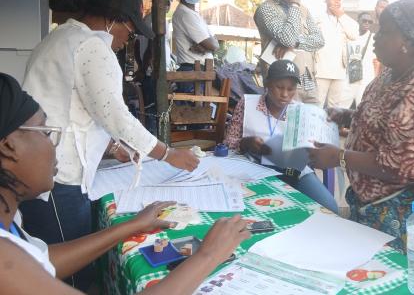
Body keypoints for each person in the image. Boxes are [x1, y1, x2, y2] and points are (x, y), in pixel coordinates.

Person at [20, 0, 199, 290]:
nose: (125, 41)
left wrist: (110, 147)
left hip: (35, 169)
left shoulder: (58, 37)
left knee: (46, 264)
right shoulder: (92, 47)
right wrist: (168, 154)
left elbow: (73, 108)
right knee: (74, 272)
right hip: (58, 179)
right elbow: (116, 116)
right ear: (115, 20)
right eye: (129, 33)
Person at [0, 73, 249, 294]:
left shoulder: (11, 226)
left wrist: (133, 225)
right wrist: (209, 255)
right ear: (9, 146)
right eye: (45, 132)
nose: (54, 145)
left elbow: (41, 260)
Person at [307, 0, 414, 268]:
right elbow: (383, 123)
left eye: (385, 31)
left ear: (409, 43)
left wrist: (338, 157)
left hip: (404, 215)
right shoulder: (390, 76)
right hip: (373, 206)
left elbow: (404, 165)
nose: (375, 36)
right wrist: (343, 115)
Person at [224, 60, 338, 213]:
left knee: (329, 207)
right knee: (251, 208)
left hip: (293, 172)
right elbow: (227, 143)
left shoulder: (301, 111)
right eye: (279, 87)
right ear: (267, 84)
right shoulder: (248, 103)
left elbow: (313, 150)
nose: (285, 94)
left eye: (291, 89)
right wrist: (245, 143)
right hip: (253, 168)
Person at [253, 0, 325, 105]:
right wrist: (294, 4)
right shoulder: (266, 9)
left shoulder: (303, 9)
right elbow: (287, 39)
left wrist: (297, 43)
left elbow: (320, 40)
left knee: (312, 123)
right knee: (285, 124)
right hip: (282, 85)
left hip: (308, 80)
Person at [135, 0, 175, 135]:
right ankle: (156, 145)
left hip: (149, 72)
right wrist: (145, 67)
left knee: (150, 110)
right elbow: (152, 46)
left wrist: (141, 68)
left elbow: (137, 44)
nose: (167, 6)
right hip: (154, 74)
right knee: (155, 111)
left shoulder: (148, 19)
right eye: (165, 2)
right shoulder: (156, 20)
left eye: (168, 2)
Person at [172, 0, 220, 95]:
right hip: (193, 72)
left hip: (199, 71)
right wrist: (208, 45)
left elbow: (215, 43)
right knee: (195, 110)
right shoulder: (185, 14)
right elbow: (213, 46)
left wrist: (206, 45)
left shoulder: (194, 14)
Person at [315, 0, 359, 108]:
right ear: (326, 0)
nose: (337, 1)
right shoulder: (318, 18)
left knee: (334, 107)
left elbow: (354, 35)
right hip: (320, 70)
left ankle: (332, 127)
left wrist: (340, 14)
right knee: (317, 104)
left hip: (339, 72)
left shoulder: (345, 20)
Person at [346, 12, 376, 106]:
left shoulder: (373, 38)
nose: (367, 23)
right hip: (349, 77)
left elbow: (377, 60)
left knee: (362, 106)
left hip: (366, 78)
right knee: (342, 106)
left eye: (370, 21)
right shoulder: (349, 36)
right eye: (364, 20)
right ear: (357, 21)